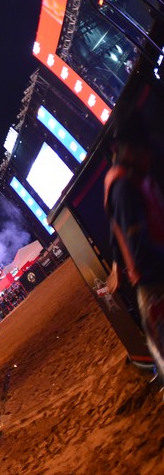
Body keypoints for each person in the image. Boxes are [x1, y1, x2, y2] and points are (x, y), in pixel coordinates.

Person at [104, 126, 164, 396]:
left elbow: (117, 231)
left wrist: (117, 264)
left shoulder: (133, 178)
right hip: (153, 279)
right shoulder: (123, 186)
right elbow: (133, 241)